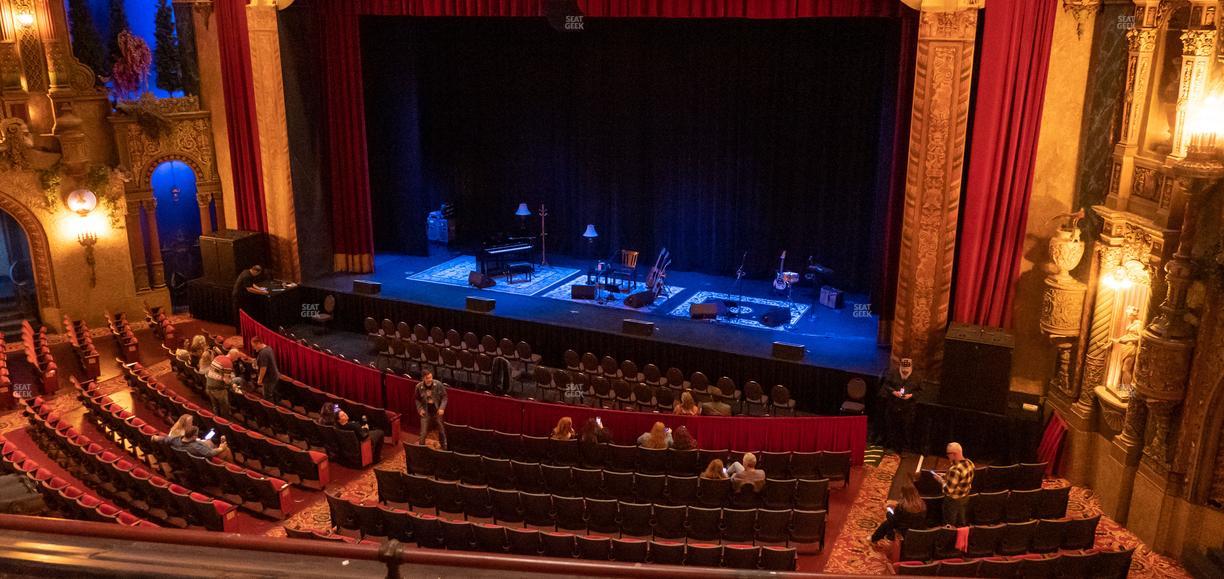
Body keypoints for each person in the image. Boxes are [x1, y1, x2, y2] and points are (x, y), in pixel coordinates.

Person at [871, 473, 928, 543]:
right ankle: (875, 538)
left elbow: (893, 521)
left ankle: (875, 539)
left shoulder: (901, 507)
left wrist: (888, 511)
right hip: (917, 531)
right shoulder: (923, 504)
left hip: (903, 532)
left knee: (887, 523)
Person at [882, 357, 921, 453]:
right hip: (893, 405)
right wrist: (893, 392)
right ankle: (892, 446)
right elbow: (886, 385)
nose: (905, 373)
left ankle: (905, 448)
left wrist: (911, 395)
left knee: (906, 428)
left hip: (908, 408)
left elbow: (921, 391)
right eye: (903, 371)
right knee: (892, 427)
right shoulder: (892, 374)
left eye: (907, 372)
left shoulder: (917, 377)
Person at [933, 442, 975, 527]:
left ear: (954, 454)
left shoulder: (955, 470)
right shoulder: (970, 463)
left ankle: (949, 538)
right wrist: (946, 476)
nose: (947, 456)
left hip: (953, 502)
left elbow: (948, 490)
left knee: (949, 524)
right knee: (961, 521)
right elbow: (960, 478)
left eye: (948, 454)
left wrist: (940, 480)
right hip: (965, 497)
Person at [415, 371, 448, 449]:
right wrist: (420, 409)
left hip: (437, 410)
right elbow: (417, 399)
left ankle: (445, 447)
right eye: (427, 378)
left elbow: (445, 397)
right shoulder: (418, 387)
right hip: (426, 411)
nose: (430, 379)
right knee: (423, 432)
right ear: (423, 378)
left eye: (431, 377)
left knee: (441, 430)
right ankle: (421, 449)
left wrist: (442, 408)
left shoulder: (438, 384)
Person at [250, 335, 280, 403]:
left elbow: (263, 368)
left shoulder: (263, 353)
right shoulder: (268, 348)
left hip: (269, 379)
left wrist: (259, 380)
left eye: (254, 346)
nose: (254, 348)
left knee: (267, 396)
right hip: (274, 376)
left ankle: (271, 411)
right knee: (271, 393)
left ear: (258, 343)